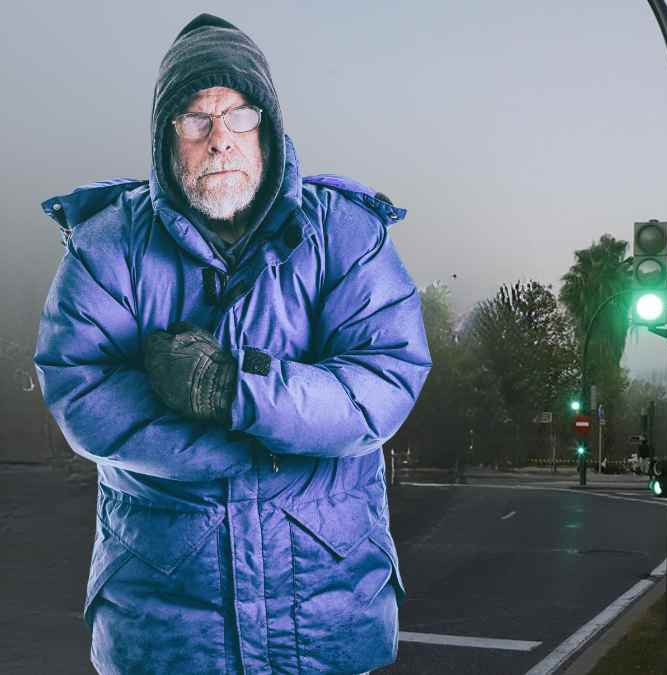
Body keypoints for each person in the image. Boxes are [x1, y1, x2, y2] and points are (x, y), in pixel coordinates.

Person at [33, 14, 431, 675]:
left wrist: (230, 388)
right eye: (196, 119)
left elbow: (381, 386)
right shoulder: (107, 247)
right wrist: (279, 436)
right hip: (163, 627)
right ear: (166, 138)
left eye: (240, 116)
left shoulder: (348, 236)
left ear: (269, 130)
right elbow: (82, 392)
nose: (220, 139)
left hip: (326, 619)